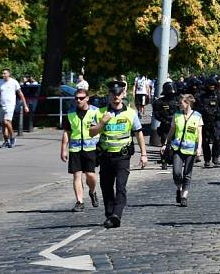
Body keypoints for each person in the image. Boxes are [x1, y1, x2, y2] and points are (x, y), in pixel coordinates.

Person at [88, 80, 148, 228]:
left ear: (123, 95)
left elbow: (138, 133)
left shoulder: (130, 113)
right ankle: (109, 214)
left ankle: (116, 215)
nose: (116, 97)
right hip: (106, 156)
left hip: (122, 156)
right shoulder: (100, 112)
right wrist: (102, 122)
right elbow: (91, 132)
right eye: (113, 94)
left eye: (118, 94)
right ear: (109, 95)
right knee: (106, 187)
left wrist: (144, 154)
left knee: (121, 186)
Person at [60, 89, 101, 212]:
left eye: (81, 98)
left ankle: (92, 191)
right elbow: (67, 132)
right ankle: (79, 201)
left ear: (87, 98)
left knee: (90, 175)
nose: (78, 100)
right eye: (77, 98)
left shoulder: (95, 112)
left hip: (91, 148)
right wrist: (63, 149)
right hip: (75, 148)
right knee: (76, 175)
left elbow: (102, 128)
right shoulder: (71, 113)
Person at [161, 94, 203, 206]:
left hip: (191, 149)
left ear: (187, 103)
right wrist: (165, 144)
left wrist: (199, 148)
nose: (179, 105)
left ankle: (184, 196)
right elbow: (172, 131)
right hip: (177, 148)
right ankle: (179, 189)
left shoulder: (197, 116)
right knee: (176, 172)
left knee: (187, 174)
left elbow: (199, 134)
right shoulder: (177, 115)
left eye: (181, 103)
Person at [0, 69, 28, 148]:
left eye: (4, 73)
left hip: (10, 104)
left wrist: (25, 105)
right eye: (2, 73)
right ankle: (6, 141)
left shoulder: (14, 82)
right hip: (2, 105)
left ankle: (13, 137)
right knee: (4, 124)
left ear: (8, 74)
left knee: (6, 121)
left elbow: (20, 94)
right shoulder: (0, 82)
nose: (3, 75)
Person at [197, 77, 220, 167]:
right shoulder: (202, 97)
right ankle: (207, 159)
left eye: (213, 85)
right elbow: (198, 109)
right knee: (205, 141)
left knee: (217, 139)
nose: (212, 87)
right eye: (210, 85)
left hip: (216, 121)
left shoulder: (219, 96)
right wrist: (205, 111)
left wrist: (217, 113)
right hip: (205, 121)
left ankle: (215, 157)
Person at [151, 82, 179, 167]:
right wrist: (164, 120)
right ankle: (164, 161)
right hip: (165, 125)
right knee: (165, 144)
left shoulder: (178, 101)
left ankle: (174, 159)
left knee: (176, 144)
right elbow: (156, 114)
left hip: (176, 125)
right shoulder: (159, 102)